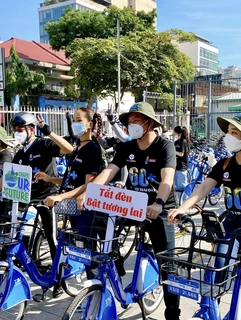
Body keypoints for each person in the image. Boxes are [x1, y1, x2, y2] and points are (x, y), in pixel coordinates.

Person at [168, 113, 241, 319]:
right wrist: (183, 208)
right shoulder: (224, 164)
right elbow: (204, 187)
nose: (227, 136)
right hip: (232, 228)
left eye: (234, 133)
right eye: (228, 132)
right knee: (215, 281)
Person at [77, 102, 181, 320]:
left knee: (168, 264)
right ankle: (117, 267)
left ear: (149, 123)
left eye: (135, 121)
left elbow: (167, 179)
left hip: (158, 209)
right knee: (105, 229)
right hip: (131, 205)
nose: (131, 125)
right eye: (129, 122)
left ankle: (173, 312)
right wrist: (90, 191)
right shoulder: (128, 146)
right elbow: (109, 170)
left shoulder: (165, 146)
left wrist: (159, 202)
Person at [0, 112, 73, 273]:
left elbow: (68, 149)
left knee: (52, 236)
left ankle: (58, 274)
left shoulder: (43, 144)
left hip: (47, 197)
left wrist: (48, 132)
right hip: (26, 196)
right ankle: (23, 254)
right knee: (4, 214)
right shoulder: (20, 152)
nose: (17, 133)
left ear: (31, 129)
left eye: (20, 129)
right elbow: (6, 177)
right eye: (15, 130)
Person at [42, 108, 106, 236]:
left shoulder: (93, 149)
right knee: (75, 245)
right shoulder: (77, 148)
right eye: (73, 120)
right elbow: (72, 181)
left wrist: (59, 197)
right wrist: (50, 179)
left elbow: (89, 184)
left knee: (85, 247)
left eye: (79, 120)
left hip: (85, 207)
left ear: (90, 124)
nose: (75, 124)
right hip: (72, 205)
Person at [173, 126, 190, 200]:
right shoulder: (176, 142)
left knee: (182, 186)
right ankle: (179, 202)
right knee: (177, 187)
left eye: (175, 133)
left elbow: (181, 153)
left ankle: (184, 202)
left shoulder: (183, 141)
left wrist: (174, 152)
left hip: (182, 167)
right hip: (176, 166)